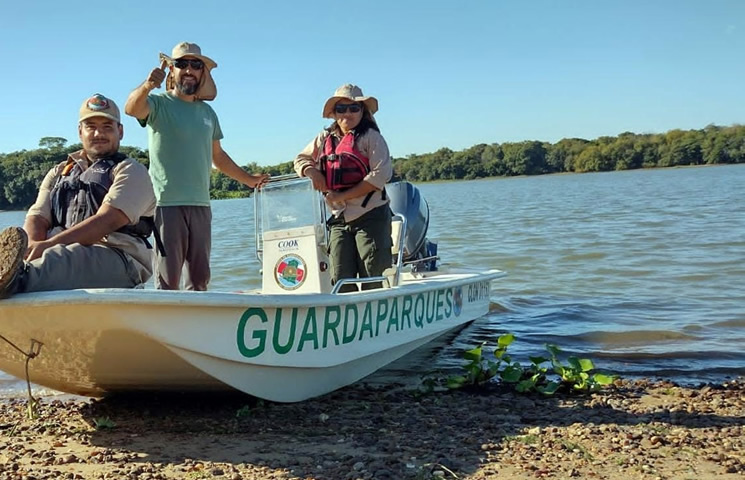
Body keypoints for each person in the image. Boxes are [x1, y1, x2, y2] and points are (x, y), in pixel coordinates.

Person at [124, 42, 269, 291]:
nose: (189, 69)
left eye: (195, 65)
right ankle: (166, 328)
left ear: (202, 72)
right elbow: (131, 109)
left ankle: (196, 327)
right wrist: (148, 85)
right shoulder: (158, 104)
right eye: (182, 64)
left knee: (200, 280)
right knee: (168, 283)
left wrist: (250, 180)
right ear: (172, 70)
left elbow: (218, 157)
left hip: (201, 204)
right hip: (166, 205)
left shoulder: (208, 113)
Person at [0, 94, 157, 299]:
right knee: (49, 259)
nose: (98, 133)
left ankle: (15, 279)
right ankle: (15, 274)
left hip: (117, 258)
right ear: (80, 131)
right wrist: (31, 249)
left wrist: (47, 246)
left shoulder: (131, 170)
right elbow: (37, 216)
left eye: (107, 126)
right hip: (55, 254)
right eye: (90, 126)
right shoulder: (59, 172)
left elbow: (107, 220)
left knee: (58, 261)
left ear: (120, 131)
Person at [294, 84, 393, 292]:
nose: (347, 113)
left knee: (372, 277)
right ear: (334, 113)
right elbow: (300, 158)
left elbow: (381, 175)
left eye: (354, 108)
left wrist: (343, 195)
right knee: (339, 278)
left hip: (370, 215)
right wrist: (312, 171)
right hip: (338, 218)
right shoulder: (324, 139)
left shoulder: (372, 138)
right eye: (341, 109)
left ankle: (375, 316)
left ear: (362, 111)